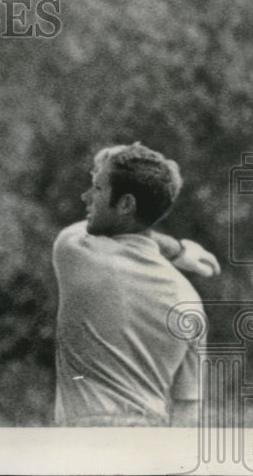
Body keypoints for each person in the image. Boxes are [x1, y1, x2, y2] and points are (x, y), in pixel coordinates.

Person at [52, 142, 219, 427]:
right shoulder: (189, 300)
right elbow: (187, 413)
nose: (86, 196)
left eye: (98, 188)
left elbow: (95, 227)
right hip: (146, 445)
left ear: (127, 203)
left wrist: (179, 250)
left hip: (82, 442)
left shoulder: (75, 250)